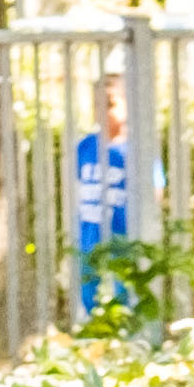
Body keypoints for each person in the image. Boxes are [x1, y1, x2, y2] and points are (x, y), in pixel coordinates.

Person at [68, 73, 136, 315]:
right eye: (97, 105)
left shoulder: (136, 148)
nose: (103, 112)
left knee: (125, 288)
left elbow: (154, 190)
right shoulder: (86, 146)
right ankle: (96, 331)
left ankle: (125, 334)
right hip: (90, 232)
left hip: (123, 234)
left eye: (110, 104)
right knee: (88, 289)